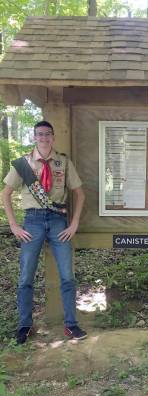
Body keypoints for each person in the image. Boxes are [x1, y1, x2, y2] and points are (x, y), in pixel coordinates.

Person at [2, 120, 87, 344]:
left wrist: (74, 222)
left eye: (48, 134)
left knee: (67, 276)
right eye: (40, 134)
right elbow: (5, 194)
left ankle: (71, 324)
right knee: (25, 277)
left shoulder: (63, 162)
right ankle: (24, 325)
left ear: (53, 137)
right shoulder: (23, 164)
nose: (44, 138)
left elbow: (80, 193)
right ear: (34, 137)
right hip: (32, 222)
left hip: (59, 222)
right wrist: (13, 225)